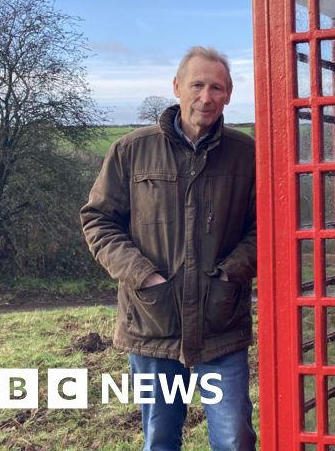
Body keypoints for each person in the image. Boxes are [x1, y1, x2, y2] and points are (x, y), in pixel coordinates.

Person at [81, 46, 257, 451]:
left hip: (220, 323)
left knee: (235, 439)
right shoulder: (131, 150)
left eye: (217, 87)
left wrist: (232, 273)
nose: (206, 97)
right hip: (151, 321)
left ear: (229, 94)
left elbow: (263, 228)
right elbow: (98, 220)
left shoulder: (246, 154)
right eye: (197, 85)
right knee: (160, 438)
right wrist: (144, 275)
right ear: (177, 87)